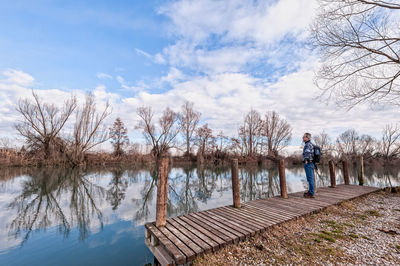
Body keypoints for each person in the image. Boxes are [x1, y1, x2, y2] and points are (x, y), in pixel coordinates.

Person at [302, 133, 315, 198]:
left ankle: (311, 193)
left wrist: (306, 161)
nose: (303, 137)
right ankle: (310, 191)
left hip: (309, 163)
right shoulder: (310, 144)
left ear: (308, 138)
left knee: (310, 179)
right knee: (310, 178)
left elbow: (307, 153)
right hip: (311, 163)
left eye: (304, 137)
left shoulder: (308, 144)